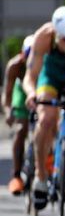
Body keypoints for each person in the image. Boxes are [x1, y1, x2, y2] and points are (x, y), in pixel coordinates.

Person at [22, 6, 65, 210]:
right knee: (46, 118)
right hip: (51, 75)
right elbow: (30, 76)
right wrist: (31, 94)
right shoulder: (43, 36)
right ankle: (40, 176)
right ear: (56, 34)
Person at [3, 35, 34, 195]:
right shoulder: (15, 65)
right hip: (21, 92)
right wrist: (9, 111)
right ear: (23, 55)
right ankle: (16, 176)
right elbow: (7, 93)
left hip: (41, 89)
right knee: (21, 128)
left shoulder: (46, 62)